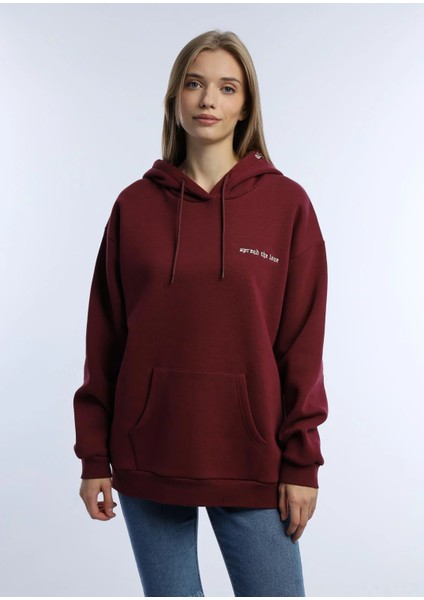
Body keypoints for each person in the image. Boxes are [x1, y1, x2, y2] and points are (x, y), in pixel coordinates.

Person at [73, 29, 329, 597]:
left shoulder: (287, 205)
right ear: (175, 98)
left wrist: (301, 464)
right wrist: (93, 456)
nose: (208, 99)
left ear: (246, 106)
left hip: (253, 460)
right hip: (149, 454)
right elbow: (105, 340)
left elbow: (302, 347)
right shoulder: (134, 206)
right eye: (195, 84)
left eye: (227, 87)